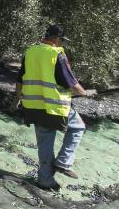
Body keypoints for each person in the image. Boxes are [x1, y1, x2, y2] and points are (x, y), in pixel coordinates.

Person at [15, 25, 96, 191]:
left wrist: (18, 97)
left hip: (32, 106)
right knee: (78, 127)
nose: (61, 44)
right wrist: (86, 93)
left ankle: (45, 181)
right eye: (61, 41)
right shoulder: (56, 54)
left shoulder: (30, 51)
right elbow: (70, 83)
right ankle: (63, 162)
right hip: (55, 107)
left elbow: (20, 78)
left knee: (44, 142)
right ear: (57, 39)